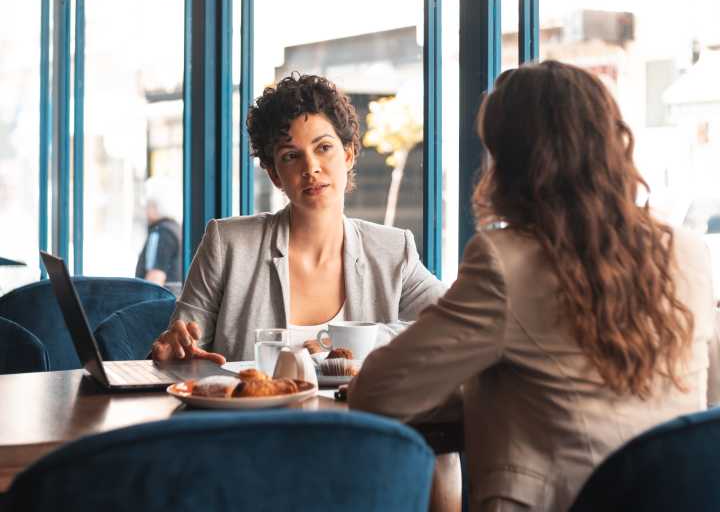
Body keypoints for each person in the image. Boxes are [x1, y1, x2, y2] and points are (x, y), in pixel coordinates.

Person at [348, 61, 720, 511]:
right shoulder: (690, 252)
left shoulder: (507, 262)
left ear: (512, 163)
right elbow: (707, 401)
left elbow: (379, 392)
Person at [151, 73, 445, 364]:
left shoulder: (393, 251)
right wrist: (171, 349)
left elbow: (454, 322)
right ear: (275, 174)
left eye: (324, 148)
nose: (311, 167)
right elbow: (180, 349)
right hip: (251, 411)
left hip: (354, 412)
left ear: (348, 155)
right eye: (291, 156)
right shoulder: (228, 245)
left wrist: (364, 340)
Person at [135, 176, 182, 287]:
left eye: (148, 205)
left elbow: (155, 279)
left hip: (160, 301)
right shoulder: (176, 229)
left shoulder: (161, 232)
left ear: (157, 206)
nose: (145, 210)